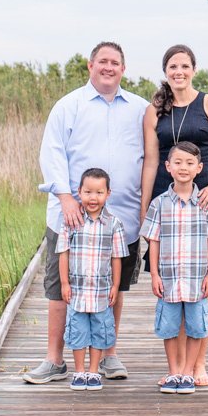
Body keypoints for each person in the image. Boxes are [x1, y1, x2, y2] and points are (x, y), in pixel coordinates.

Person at [25, 41, 148, 384]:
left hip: (120, 217)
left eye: (115, 63)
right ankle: (54, 359)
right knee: (59, 287)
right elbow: (52, 153)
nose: (109, 67)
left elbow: (151, 157)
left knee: (114, 285)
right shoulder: (69, 106)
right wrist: (65, 198)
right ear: (90, 65)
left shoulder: (139, 108)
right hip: (72, 216)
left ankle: (109, 354)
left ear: (123, 69)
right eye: (102, 62)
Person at [139, 43, 208, 387]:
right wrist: (145, 208)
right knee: (172, 285)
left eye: (184, 66)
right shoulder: (154, 111)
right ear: (165, 72)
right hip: (167, 197)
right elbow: (152, 161)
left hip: (206, 196)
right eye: (173, 66)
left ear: (194, 69)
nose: (179, 72)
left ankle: (198, 364)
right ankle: (176, 368)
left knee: (203, 288)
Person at [140, 142, 208, 395]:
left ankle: (188, 372)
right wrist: (154, 274)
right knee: (169, 326)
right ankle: (174, 371)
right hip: (169, 279)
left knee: (197, 326)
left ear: (199, 168)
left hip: (197, 279)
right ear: (168, 167)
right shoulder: (159, 204)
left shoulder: (205, 202)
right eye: (177, 162)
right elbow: (153, 240)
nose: (183, 168)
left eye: (189, 163)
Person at [56, 168, 128, 391]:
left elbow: (117, 258)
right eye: (87, 192)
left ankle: (94, 371)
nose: (93, 198)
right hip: (77, 290)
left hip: (101, 290)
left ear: (108, 193)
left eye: (99, 192)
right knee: (78, 331)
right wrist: (64, 283)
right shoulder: (71, 221)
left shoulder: (114, 224)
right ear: (79, 192)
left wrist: (116, 285)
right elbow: (64, 253)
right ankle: (79, 371)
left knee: (99, 330)